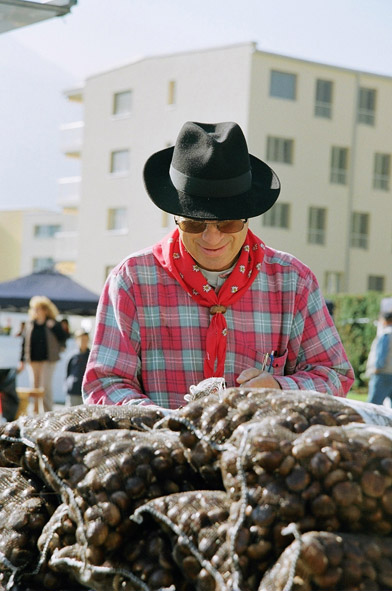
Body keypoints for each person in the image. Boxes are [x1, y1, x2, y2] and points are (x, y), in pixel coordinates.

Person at [83, 121, 354, 408]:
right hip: (163, 448)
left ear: (247, 216)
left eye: (228, 223)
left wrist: (280, 387)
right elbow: (104, 384)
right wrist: (164, 424)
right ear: (175, 216)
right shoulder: (132, 280)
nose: (211, 237)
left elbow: (334, 375)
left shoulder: (294, 282)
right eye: (193, 223)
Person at [19, 295, 68, 412]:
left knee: (45, 386)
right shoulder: (30, 324)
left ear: (45, 310)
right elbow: (24, 342)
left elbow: (64, 337)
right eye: (35, 309)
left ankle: (47, 411)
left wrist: (54, 327)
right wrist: (21, 360)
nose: (36, 311)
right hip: (33, 360)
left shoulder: (53, 323)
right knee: (34, 386)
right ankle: (35, 411)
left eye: (39, 308)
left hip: (48, 360)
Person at [366, 311, 392, 405]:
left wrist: (377, 368)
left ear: (384, 320)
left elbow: (382, 353)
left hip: (382, 372)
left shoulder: (386, 334)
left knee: (373, 405)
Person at [64, 329, 90, 407]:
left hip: (86, 392)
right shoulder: (72, 357)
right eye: (81, 339)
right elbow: (68, 373)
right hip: (73, 391)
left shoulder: (91, 356)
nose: (83, 342)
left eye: (85, 339)